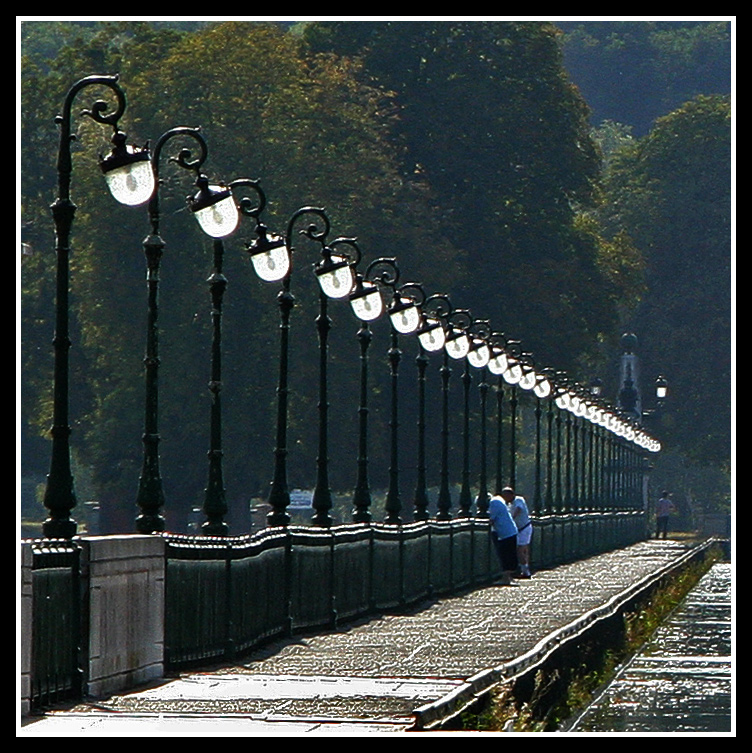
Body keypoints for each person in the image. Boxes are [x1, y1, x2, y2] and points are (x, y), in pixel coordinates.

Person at [501, 486, 532, 578]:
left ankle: (525, 571)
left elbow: (518, 510)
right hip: (520, 528)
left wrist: (510, 520)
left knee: (520, 550)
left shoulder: (519, 500)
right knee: (523, 549)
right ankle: (525, 570)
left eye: (505, 496)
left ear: (511, 495)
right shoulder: (509, 504)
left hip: (524, 527)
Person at [488, 494, 518, 585]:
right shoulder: (498, 500)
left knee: (505, 555)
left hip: (505, 533)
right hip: (510, 530)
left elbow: (492, 519)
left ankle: (506, 578)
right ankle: (508, 577)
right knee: (509, 554)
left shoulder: (494, 503)